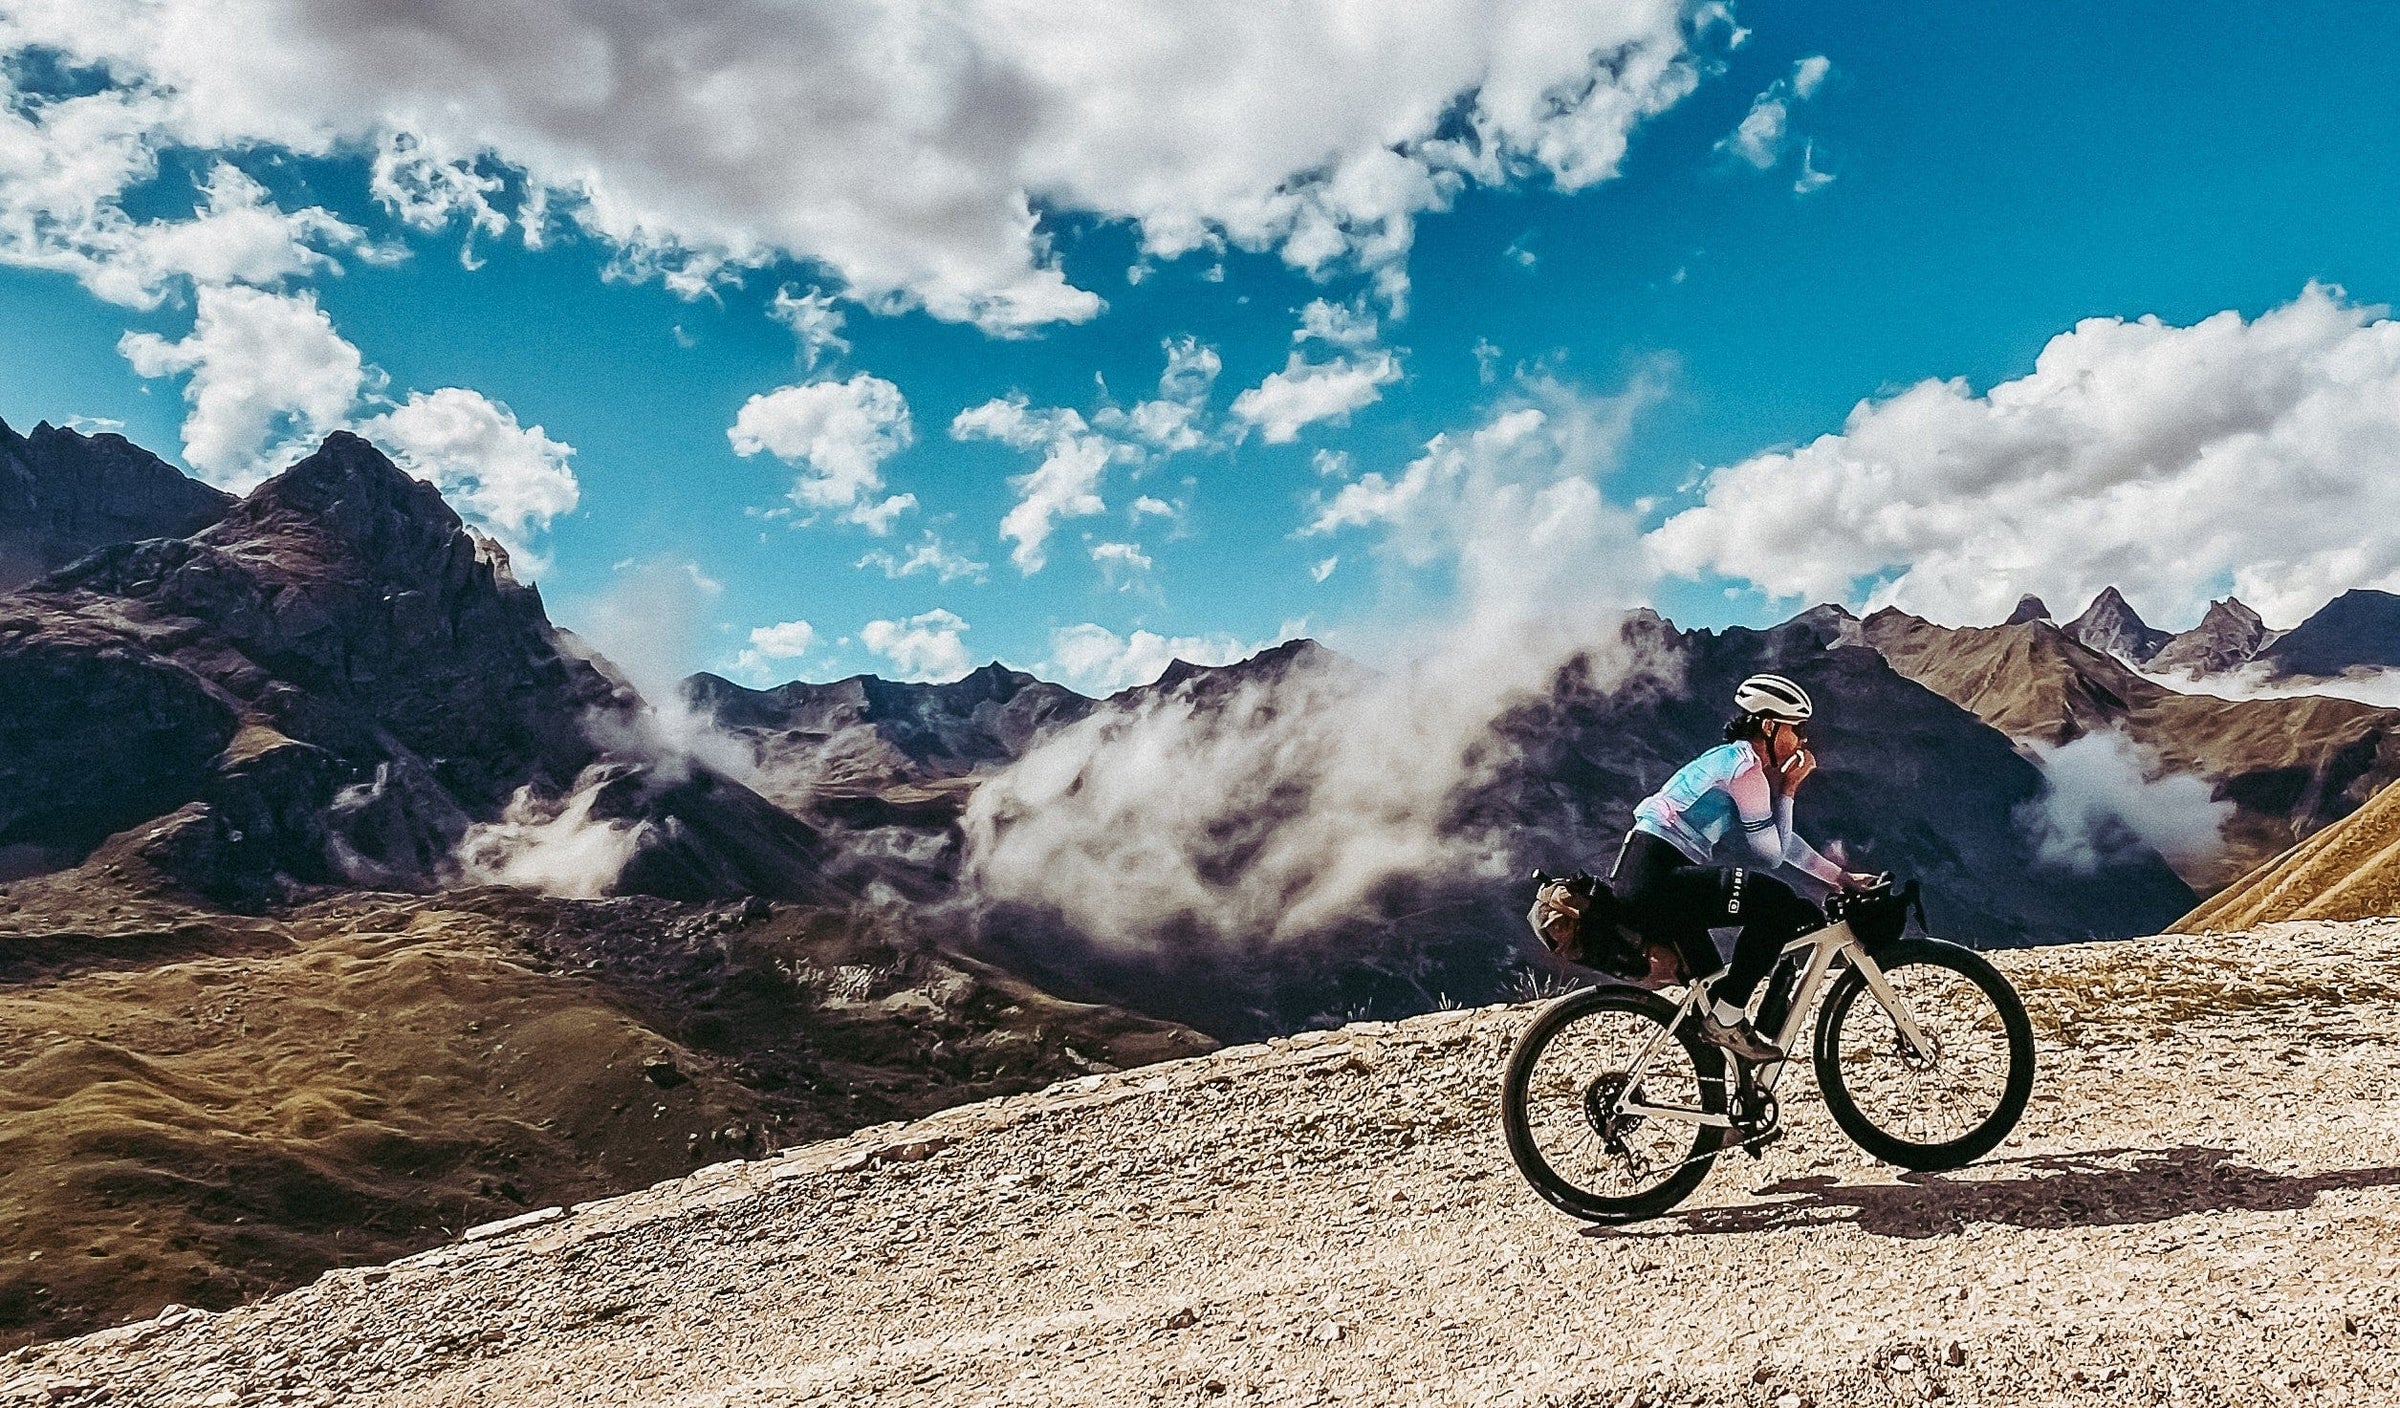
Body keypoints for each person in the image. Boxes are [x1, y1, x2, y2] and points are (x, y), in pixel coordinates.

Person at [1612, 673, 1877, 1062]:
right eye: (1796, 728)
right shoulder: (1745, 771)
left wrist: (1839, 878)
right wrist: (1788, 789)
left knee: (1715, 991)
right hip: (1658, 875)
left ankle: (1735, 1112)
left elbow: (1785, 846)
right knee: (1776, 902)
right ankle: (1728, 1019)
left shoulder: (1728, 761)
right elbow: (1771, 853)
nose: (1802, 739)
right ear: (1769, 726)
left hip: (1644, 872)